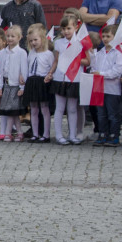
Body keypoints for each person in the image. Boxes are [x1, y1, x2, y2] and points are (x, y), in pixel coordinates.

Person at [90, 23, 122, 147]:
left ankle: (114, 135)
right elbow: (93, 66)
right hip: (100, 89)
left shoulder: (119, 53)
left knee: (113, 113)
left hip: (112, 89)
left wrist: (101, 74)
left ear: (115, 37)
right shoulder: (99, 53)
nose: (105, 39)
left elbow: (117, 71)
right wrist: (94, 72)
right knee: (101, 113)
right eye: (103, 36)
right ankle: (103, 133)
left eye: (108, 36)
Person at [50, 15, 83, 145]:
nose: (66, 31)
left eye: (69, 28)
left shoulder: (80, 42)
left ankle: (73, 135)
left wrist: (76, 61)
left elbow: (87, 60)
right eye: (63, 29)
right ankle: (58, 135)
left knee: (73, 108)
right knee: (59, 108)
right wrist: (50, 73)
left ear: (76, 27)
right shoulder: (58, 43)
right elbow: (56, 60)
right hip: (60, 78)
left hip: (74, 79)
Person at [22, 24, 54, 143]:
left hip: (42, 82)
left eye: (35, 40)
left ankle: (46, 134)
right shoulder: (31, 53)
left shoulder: (48, 54)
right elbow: (28, 68)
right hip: (32, 81)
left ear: (42, 39)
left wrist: (50, 76)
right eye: (31, 41)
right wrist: (24, 79)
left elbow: (52, 69)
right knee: (33, 109)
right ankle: (35, 134)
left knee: (44, 108)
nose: (33, 43)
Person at [0, 25, 27, 141]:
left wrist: (22, 87)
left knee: (12, 112)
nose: (10, 38)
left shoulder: (21, 53)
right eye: (8, 36)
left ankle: (8, 132)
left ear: (19, 38)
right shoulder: (2, 53)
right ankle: (19, 132)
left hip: (16, 86)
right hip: (7, 86)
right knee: (11, 112)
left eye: (13, 36)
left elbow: (24, 70)